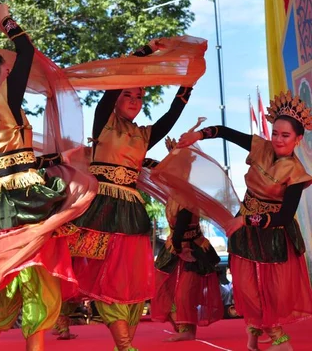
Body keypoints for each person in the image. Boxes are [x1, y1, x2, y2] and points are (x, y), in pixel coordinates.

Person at [0, 4, 74, 351]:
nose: (9, 70)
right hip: (21, 195)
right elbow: (27, 50)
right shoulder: (4, 96)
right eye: (3, 68)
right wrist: (5, 18)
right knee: (34, 274)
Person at [69, 43, 195, 351]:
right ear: (116, 98)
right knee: (105, 277)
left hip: (131, 212)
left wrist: (187, 84)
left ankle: (124, 343)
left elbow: (172, 115)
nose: (135, 101)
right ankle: (124, 345)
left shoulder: (144, 135)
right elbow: (113, 87)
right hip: (100, 208)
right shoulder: (104, 122)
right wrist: (144, 52)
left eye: (139, 97)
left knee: (132, 282)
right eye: (128, 94)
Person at [177, 90, 312, 351]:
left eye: (285, 136)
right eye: (275, 133)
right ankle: (253, 334)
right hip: (245, 226)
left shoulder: (296, 173)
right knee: (246, 287)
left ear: (297, 139)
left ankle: (280, 340)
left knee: (269, 291)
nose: (278, 140)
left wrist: (246, 220)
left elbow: (284, 216)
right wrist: (199, 134)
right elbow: (226, 132)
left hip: (272, 233)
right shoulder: (261, 146)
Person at [149, 138, 224, 342]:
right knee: (163, 287)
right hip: (174, 247)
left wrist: (180, 246)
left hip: (192, 248)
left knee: (185, 293)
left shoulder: (186, 195)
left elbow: (182, 225)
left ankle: (188, 330)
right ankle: (179, 324)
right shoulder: (173, 193)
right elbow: (154, 169)